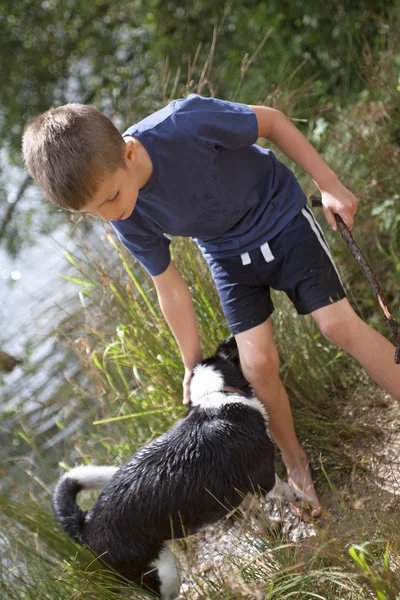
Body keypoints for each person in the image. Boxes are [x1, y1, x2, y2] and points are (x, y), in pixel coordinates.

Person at [22, 95, 400, 518]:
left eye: (110, 198)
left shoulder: (184, 124)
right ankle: (295, 462)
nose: (109, 216)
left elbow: (272, 122)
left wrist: (329, 184)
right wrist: (190, 364)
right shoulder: (124, 216)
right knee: (256, 366)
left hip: (282, 218)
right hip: (227, 256)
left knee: (337, 327)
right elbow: (170, 287)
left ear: (128, 153)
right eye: (93, 213)